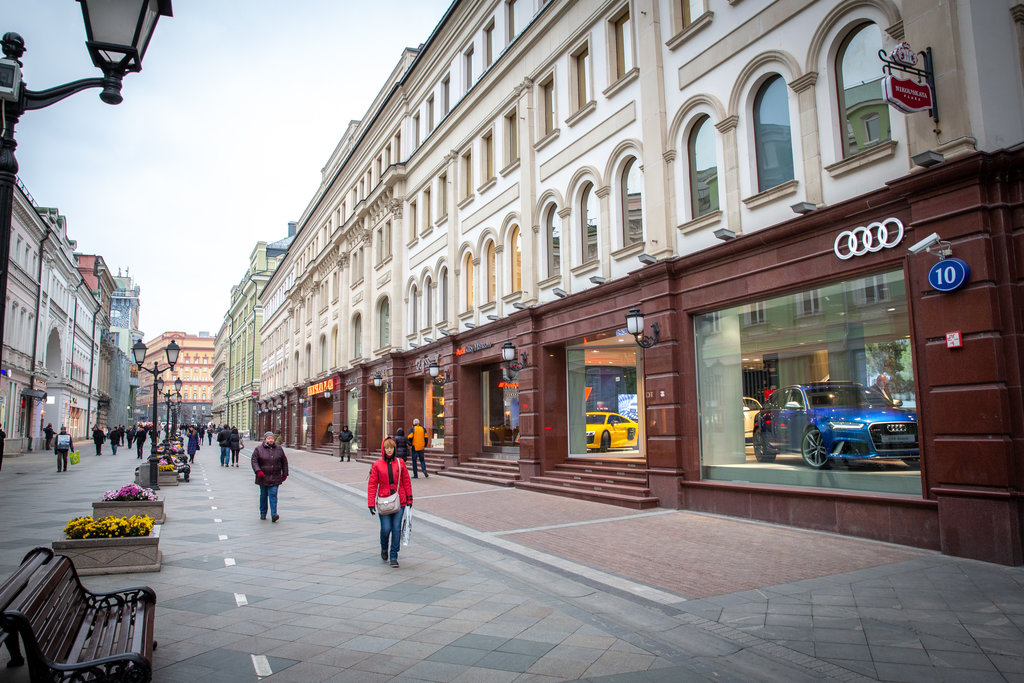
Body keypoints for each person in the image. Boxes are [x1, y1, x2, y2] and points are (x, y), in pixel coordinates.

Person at [368, 437, 413, 568]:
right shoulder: (377, 465)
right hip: (383, 501)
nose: (389, 450)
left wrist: (409, 498)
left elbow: (406, 481)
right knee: (386, 529)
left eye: (391, 447)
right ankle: (384, 547)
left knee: (396, 529)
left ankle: (394, 556)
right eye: (387, 447)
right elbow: (372, 485)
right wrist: (371, 503)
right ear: (383, 448)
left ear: (394, 449)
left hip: (400, 501)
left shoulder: (400, 463)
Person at [251, 431, 288, 522]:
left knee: (273, 494)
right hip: (263, 477)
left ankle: (274, 514)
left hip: (275, 476)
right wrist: (258, 471)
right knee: (263, 495)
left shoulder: (279, 449)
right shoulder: (258, 449)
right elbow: (254, 461)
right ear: (265, 440)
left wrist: (285, 474)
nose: (271, 440)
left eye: (272, 438)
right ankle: (263, 513)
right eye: (269, 438)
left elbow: (284, 461)